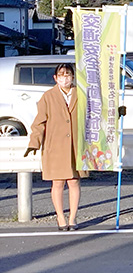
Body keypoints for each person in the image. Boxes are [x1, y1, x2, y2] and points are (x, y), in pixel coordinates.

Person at [24, 63, 88, 231]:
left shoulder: (81, 94)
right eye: (61, 75)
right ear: (55, 78)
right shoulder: (48, 96)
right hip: (55, 145)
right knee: (57, 182)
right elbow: (39, 122)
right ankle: (60, 217)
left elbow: (94, 116)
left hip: (76, 145)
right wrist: (34, 143)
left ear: (73, 77)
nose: (64, 78)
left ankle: (73, 217)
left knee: (74, 181)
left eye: (67, 75)